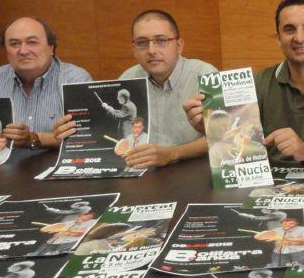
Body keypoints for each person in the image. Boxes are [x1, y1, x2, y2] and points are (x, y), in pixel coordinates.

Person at [183, 0, 304, 168]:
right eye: (289, 29)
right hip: (270, 182)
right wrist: (211, 130)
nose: (299, 38)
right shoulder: (259, 82)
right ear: (279, 38)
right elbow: (235, 146)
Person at [54, 9, 217, 169]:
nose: (151, 50)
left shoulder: (205, 76)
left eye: (161, 40)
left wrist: (171, 154)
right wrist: (75, 132)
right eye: (142, 43)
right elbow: (113, 127)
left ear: (179, 45)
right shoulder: (128, 78)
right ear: (134, 49)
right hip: (141, 171)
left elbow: (221, 136)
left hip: (192, 169)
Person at [0, 17, 91, 150]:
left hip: (57, 165)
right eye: (14, 44)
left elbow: (88, 137)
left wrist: (34, 139)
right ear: (6, 51)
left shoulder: (74, 80)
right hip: (2, 166)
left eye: (32, 42)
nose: (23, 51)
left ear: (51, 47)